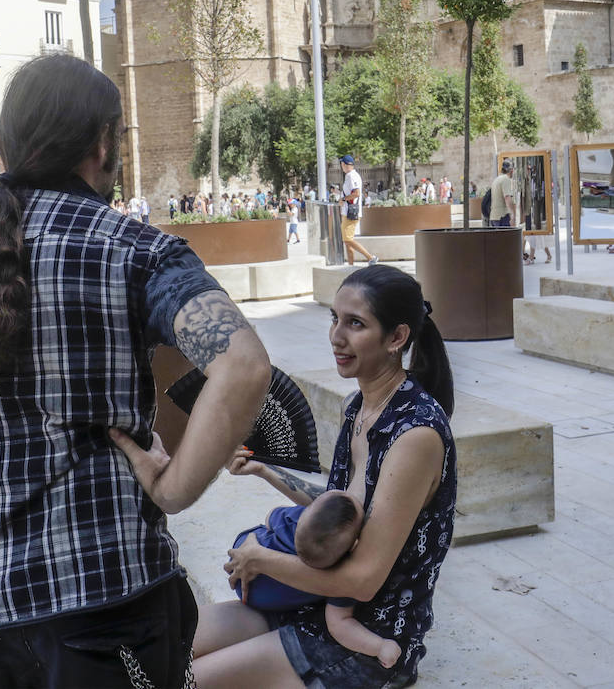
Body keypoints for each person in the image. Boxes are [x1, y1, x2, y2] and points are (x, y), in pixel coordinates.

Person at [0, 55, 272, 688]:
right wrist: (175, 487)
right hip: (107, 595)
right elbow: (244, 363)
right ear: (101, 142)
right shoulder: (135, 248)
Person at [134, 264, 456, 687]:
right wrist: (268, 472)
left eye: (355, 324)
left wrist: (262, 558)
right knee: (156, 656)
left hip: (366, 638)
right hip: (311, 601)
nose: (336, 337)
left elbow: (362, 582)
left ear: (397, 338)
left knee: (187, 682)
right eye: (334, 318)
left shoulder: (415, 435)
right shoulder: (358, 407)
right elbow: (344, 508)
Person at [228, 489, 402, 668]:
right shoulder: (340, 576)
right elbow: (340, 625)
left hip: (242, 558)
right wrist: (380, 647)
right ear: (354, 545)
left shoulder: (293, 519)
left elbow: (270, 516)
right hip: (265, 601)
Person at [339, 155, 377, 266]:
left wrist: (343, 199)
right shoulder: (350, 176)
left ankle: (370, 257)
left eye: (342, 164)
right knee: (347, 242)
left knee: (347, 239)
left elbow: (356, 193)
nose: (341, 166)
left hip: (350, 212)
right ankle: (351, 266)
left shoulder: (351, 176)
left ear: (344, 164)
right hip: (348, 211)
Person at [489, 158, 516, 227]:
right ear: (511, 170)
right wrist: (513, 215)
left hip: (494, 216)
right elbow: (507, 197)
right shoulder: (505, 179)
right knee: (506, 237)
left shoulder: (496, 180)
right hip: (502, 216)